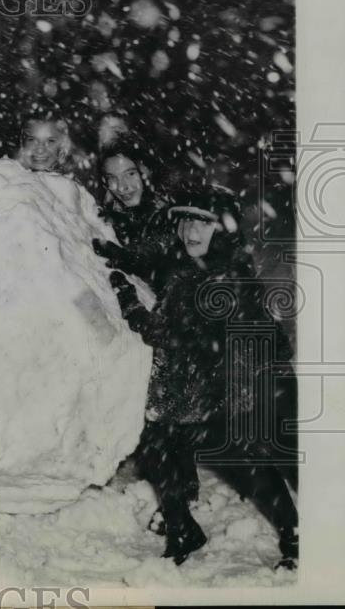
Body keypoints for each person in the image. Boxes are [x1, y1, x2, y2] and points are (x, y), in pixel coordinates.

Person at [107, 187, 298, 569]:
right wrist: (121, 257)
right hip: (218, 379)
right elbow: (165, 272)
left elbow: (163, 331)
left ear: (221, 229)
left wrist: (125, 296)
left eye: (204, 222)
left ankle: (294, 535)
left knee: (251, 457)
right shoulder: (205, 261)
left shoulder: (219, 276)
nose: (191, 230)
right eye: (186, 220)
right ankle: (182, 528)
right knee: (161, 437)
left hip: (247, 387)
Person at [92, 136, 175, 290]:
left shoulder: (172, 212)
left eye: (130, 174)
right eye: (112, 178)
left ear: (147, 173)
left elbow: (155, 247)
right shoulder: (108, 210)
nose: (122, 187)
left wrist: (128, 258)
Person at [15, 105, 74, 175]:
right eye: (32, 140)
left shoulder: (71, 183)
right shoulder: (4, 177)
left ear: (63, 146)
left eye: (50, 141)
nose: (40, 150)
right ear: (22, 143)